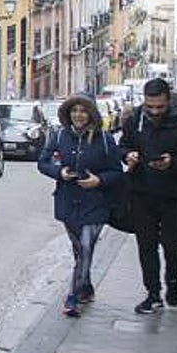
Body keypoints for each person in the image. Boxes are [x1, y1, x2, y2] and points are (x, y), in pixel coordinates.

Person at [119, 78, 177, 314]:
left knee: (172, 245)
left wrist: (173, 162)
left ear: (169, 101)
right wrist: (128, 155)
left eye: (160, 106)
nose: (155, 111)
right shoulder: (135, 119)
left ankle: (172, 279)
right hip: (142, 193)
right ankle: (153, 294)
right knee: (146, 246)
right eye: (150, 106)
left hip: (173, 196)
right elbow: (123, 145)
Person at [37, 94, 123, 318]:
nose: (78, 115)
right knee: (80, 251)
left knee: (85, 247)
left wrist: (98, 180)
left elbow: (117, 172)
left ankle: (73, 297)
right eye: (74, 110)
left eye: (83, 111)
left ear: (91, 114)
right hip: (68, 202)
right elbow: (43, 163)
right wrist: (60, 172)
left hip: (95, 203)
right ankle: (86, 287)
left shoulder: (105, 139)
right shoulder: (58, 136)